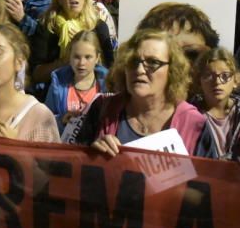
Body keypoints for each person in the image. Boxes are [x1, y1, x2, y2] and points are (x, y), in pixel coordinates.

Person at [70, 28, 218, 158]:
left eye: (153, 62)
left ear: (172, 71)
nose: (139, 70)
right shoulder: (102, 109)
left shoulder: (194, 124)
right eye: (133, 61)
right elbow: (73, 171)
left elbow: (210, 186)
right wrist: (90, 156)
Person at [29, 0, 115, 84]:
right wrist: (65, 61)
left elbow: (111, 70)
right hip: (57, 92)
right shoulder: (47, 26)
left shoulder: (98, 26)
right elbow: (36, 75)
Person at [190, 47, 240, 159]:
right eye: (208, 75)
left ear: (236, 80)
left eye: (225, 76)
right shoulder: (190, 114)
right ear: (199, 80)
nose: (217, 82)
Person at [45, 29, 109, 129]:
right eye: (76, 57)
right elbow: (46, 121)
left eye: (88, 57)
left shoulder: (108, 85)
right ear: (69, 56)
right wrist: (61, 120)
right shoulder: (58, 83)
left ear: (97, 58)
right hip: (64, 143)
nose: (81, 63)